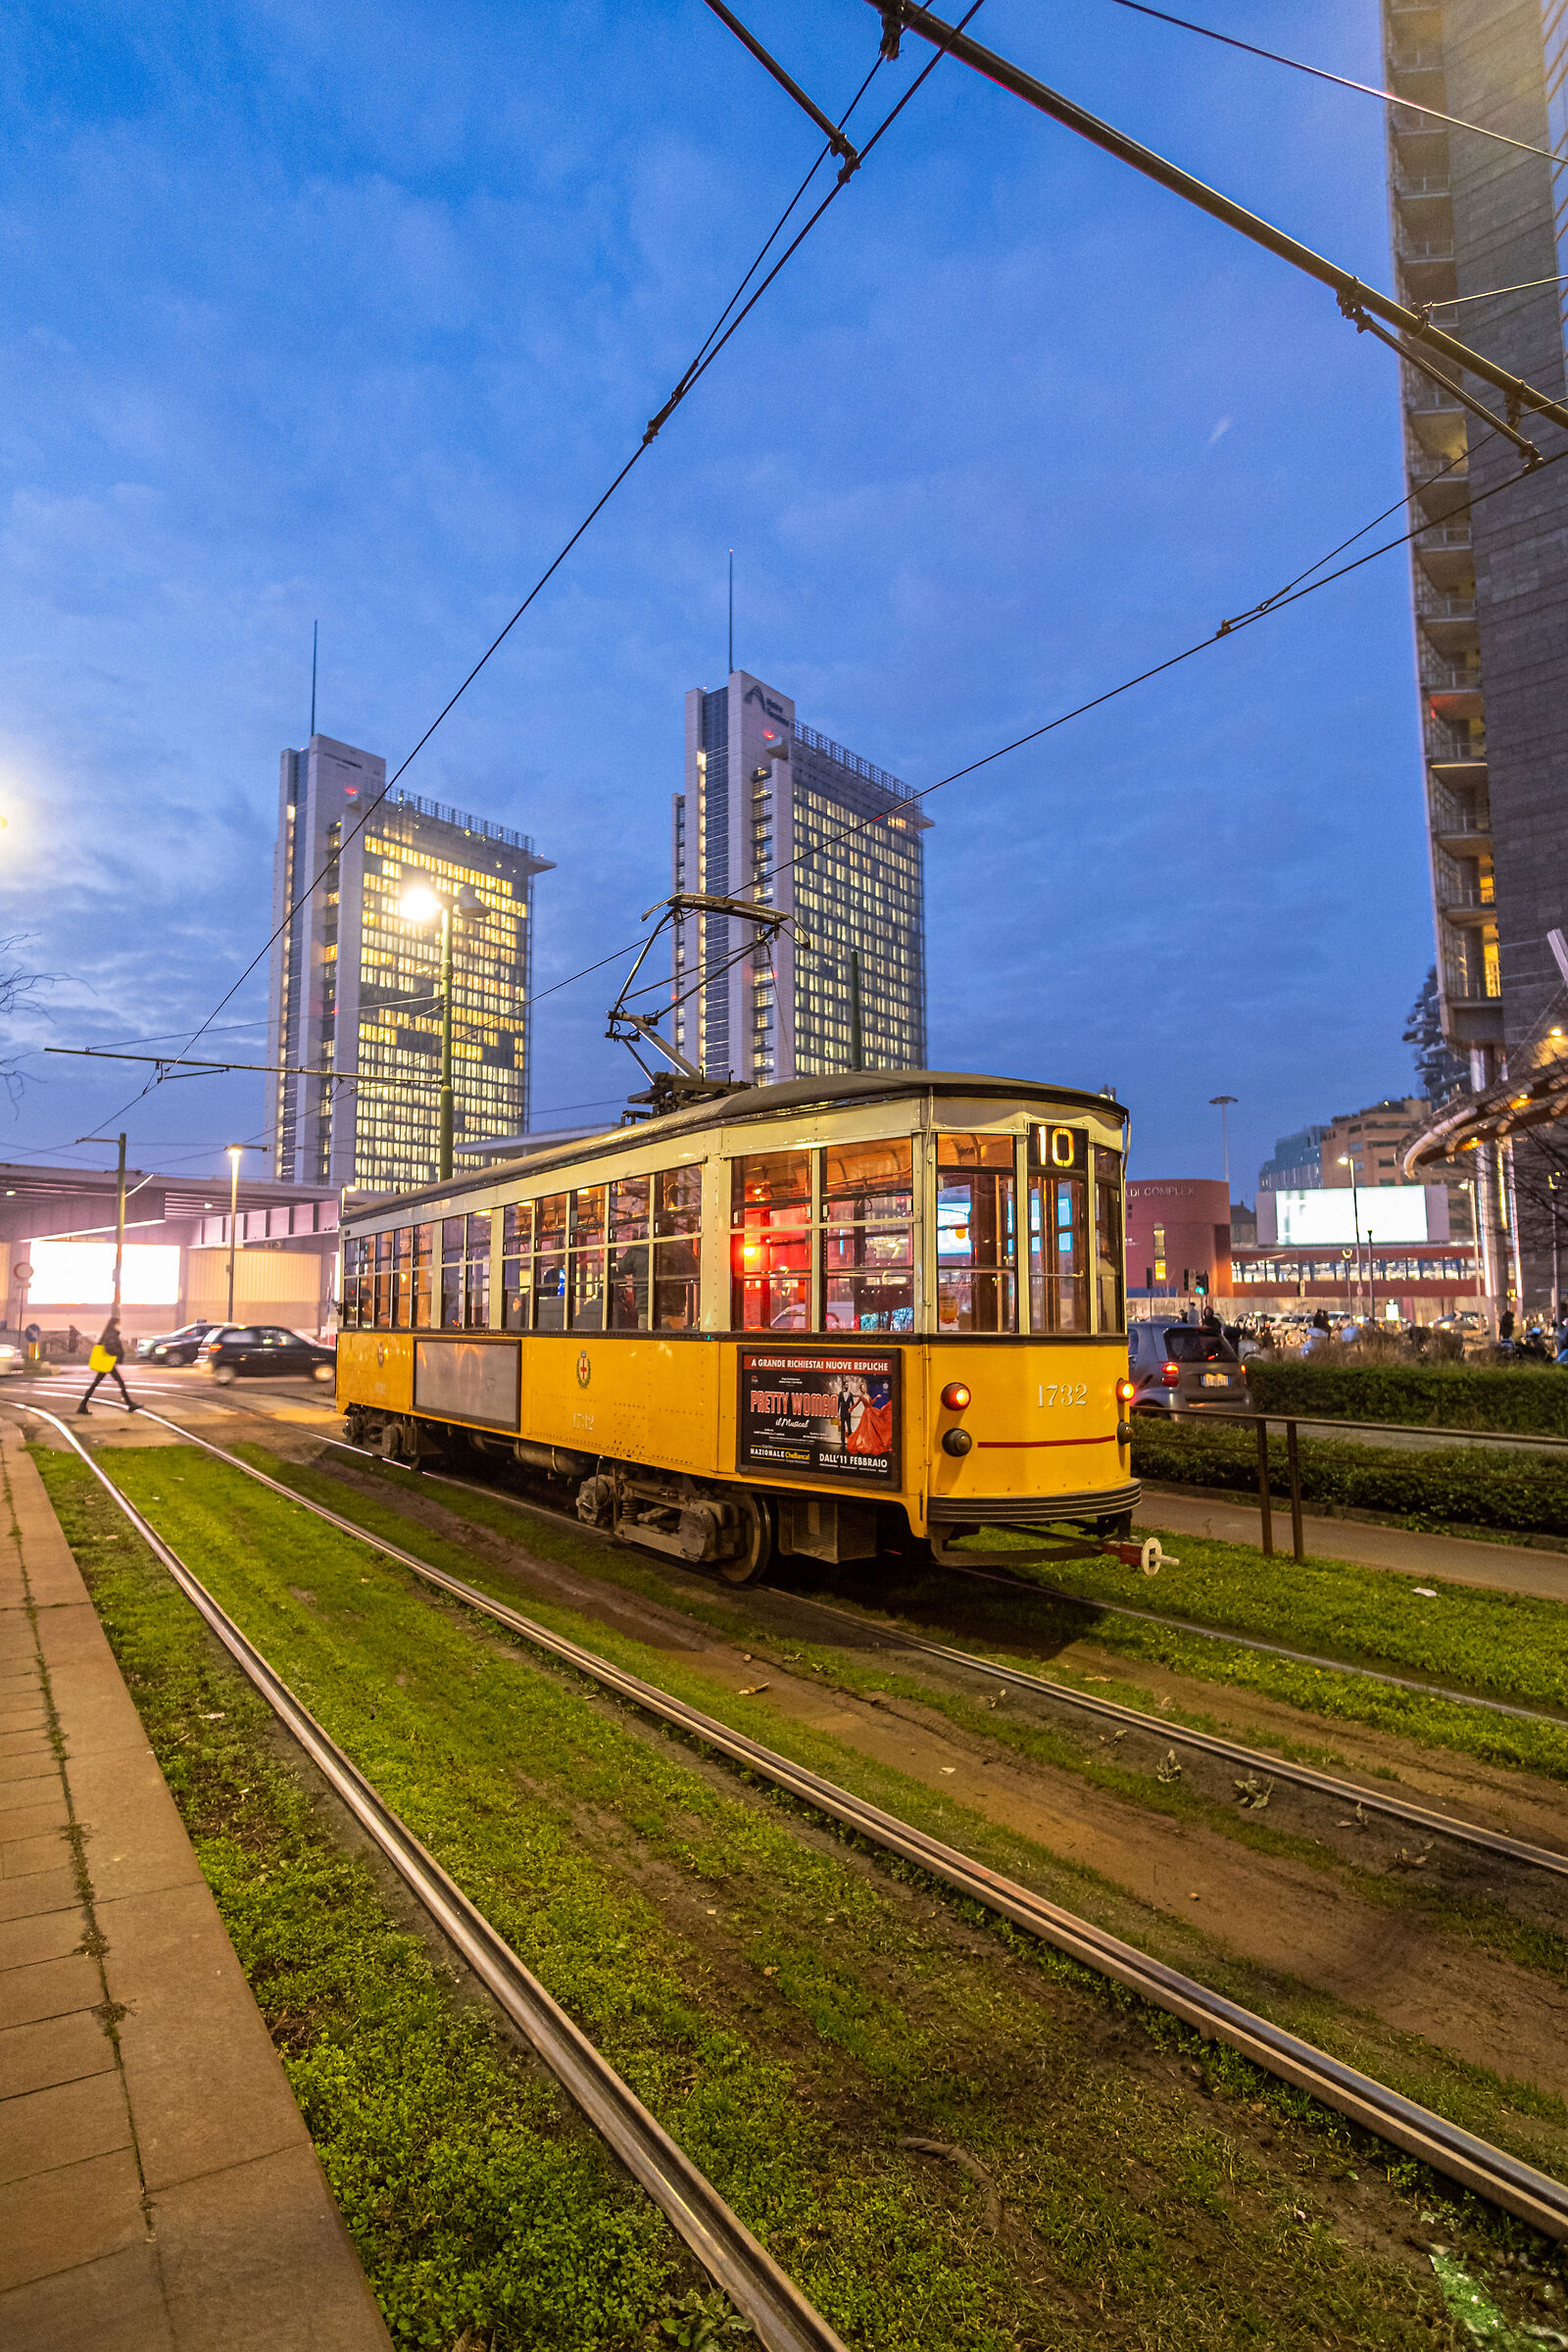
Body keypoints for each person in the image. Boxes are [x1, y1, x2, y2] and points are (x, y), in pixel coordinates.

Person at [77, 1318, 135, 1416]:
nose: (119, 1326)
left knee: (96, 1383)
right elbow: (110, 1347)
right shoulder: (111, 1334)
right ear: (115, 1324)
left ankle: (83, 1405)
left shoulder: (109, 1333)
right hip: (107, 1361)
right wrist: (117, 1354)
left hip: (107, 1361)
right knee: (119, 1382)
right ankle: (129, 1403)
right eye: (118, 1324)